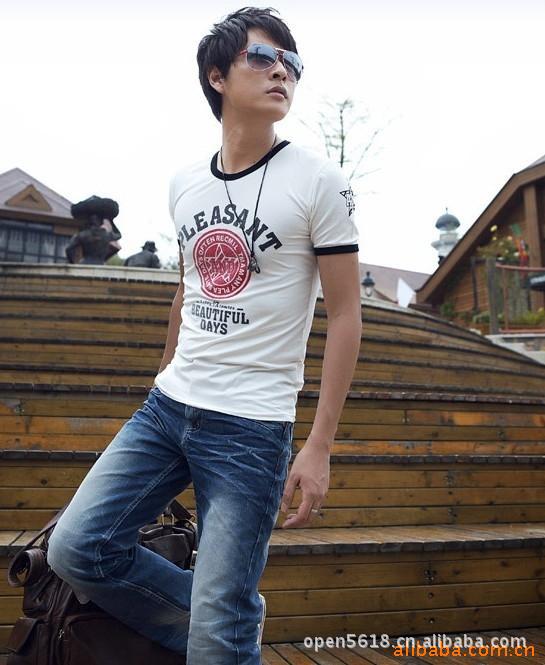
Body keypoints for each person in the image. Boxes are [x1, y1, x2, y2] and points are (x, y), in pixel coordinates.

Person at [46, 6, 362, 664]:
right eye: (263, 57)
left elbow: (345, 315)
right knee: (77, 547)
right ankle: (224, 618)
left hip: (252, 426)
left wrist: (319, 445)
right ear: (216, 76)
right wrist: (164, 373)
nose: (282, 71)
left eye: (292, 64)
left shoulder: (319, 181)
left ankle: (224, 623)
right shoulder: (185, 184)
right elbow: (188, 290)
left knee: (220, 630)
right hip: (168, 409)